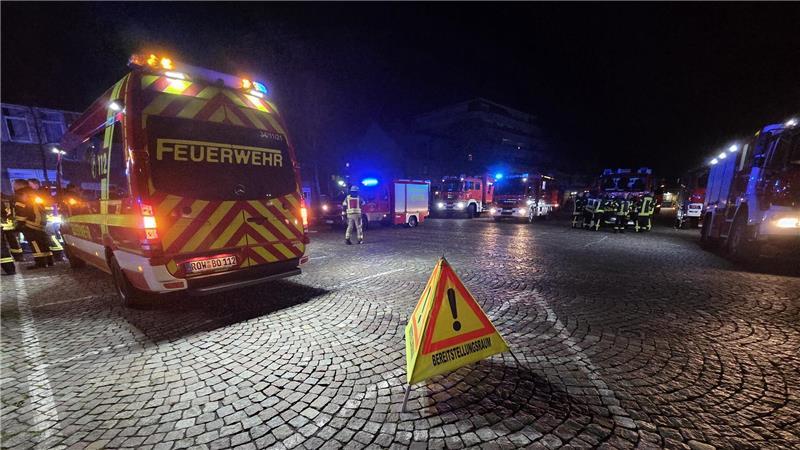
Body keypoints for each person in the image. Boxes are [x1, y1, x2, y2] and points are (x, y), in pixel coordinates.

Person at [14, 179, 53, 268]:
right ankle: (49, 260)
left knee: (34, 242)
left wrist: (19, 223)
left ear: (18, 186)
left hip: (30, 222)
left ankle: (41, 263)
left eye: (14, 185)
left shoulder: (21, 194)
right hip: (41, 221)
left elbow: (21, 210)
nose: (13, 187)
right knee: (43, 241)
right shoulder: (35, 192)